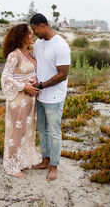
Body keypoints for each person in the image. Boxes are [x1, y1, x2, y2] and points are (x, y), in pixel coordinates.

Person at [30, 13, 71, 181]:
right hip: (40, 95)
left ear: (42, 25)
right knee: (42, 129)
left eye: (35, 29)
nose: (34, 34)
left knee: (54, 132)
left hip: (54, 96)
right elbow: (36, 65)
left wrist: (42, 85)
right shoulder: (38, 44)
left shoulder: (61, 45)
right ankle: (45, 160)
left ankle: (54, 166)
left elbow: (62, 75)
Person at [1, 23, 40, 178]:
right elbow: (5, 79)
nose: (32, 36)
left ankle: (20, 161)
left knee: (26, 131)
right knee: (16, 133)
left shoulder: (30, 53)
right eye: (29, 34)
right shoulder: (14, 55)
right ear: (21, 36)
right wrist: (24, 86)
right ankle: (11, 165)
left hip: (30, 100)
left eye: (32, 33)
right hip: (18, 99)